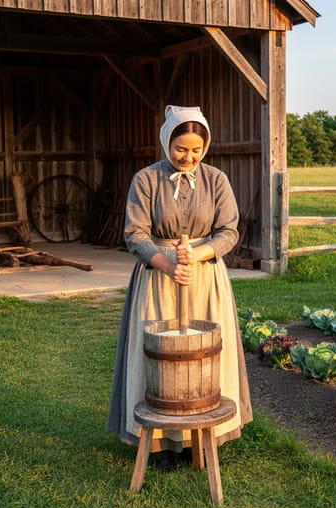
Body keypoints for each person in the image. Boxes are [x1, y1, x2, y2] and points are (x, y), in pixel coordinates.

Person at [107, 105, 252, 466]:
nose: (188, 157)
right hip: (157, 278)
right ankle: (159, 441)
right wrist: (168, 265)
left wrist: (199, 254)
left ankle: (200, 437)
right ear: (166, 142)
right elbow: (135, 234)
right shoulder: (145, 180)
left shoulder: (217, 180)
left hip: (204, 279)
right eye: (180, 149)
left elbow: (229, 230)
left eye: (196, 150)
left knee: (200, 355)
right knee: (159, 355)